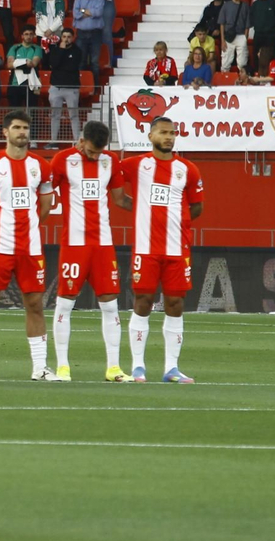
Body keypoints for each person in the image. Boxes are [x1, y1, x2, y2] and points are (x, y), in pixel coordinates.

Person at [0, 109, 59, 382]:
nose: (22, 133)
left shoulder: (41, 166)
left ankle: (40, 368)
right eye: (17, 128)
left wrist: (31, 227)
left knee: (35, 304)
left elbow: (46, 204)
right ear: (5, 132)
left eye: (26, 128)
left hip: (30, 247)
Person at [116, 117, 203, 383]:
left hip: (177, 249)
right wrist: (142, 210)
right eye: (163, 132)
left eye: (172, 133)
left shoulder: (188, 169)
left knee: (175, 304)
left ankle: (171, 368)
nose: (169, 137)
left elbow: (197, 207)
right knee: (142, 302)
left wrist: (176, 218)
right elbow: (116, 190)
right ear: (150, 135)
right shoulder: (136, 165)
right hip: (146, 248)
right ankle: (138, 367)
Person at [49, 120, 128, 382]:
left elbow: (119, 198)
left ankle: (114, 368)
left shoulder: (111, 161)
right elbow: (46, 193)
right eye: (91, 151)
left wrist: (147, 209)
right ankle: (63, 367)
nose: (95, 156)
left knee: (110, 305)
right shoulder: (62, 160)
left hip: (103, 245)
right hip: (74, 243)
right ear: (81, 141)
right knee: (64, 304)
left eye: (99, 152)